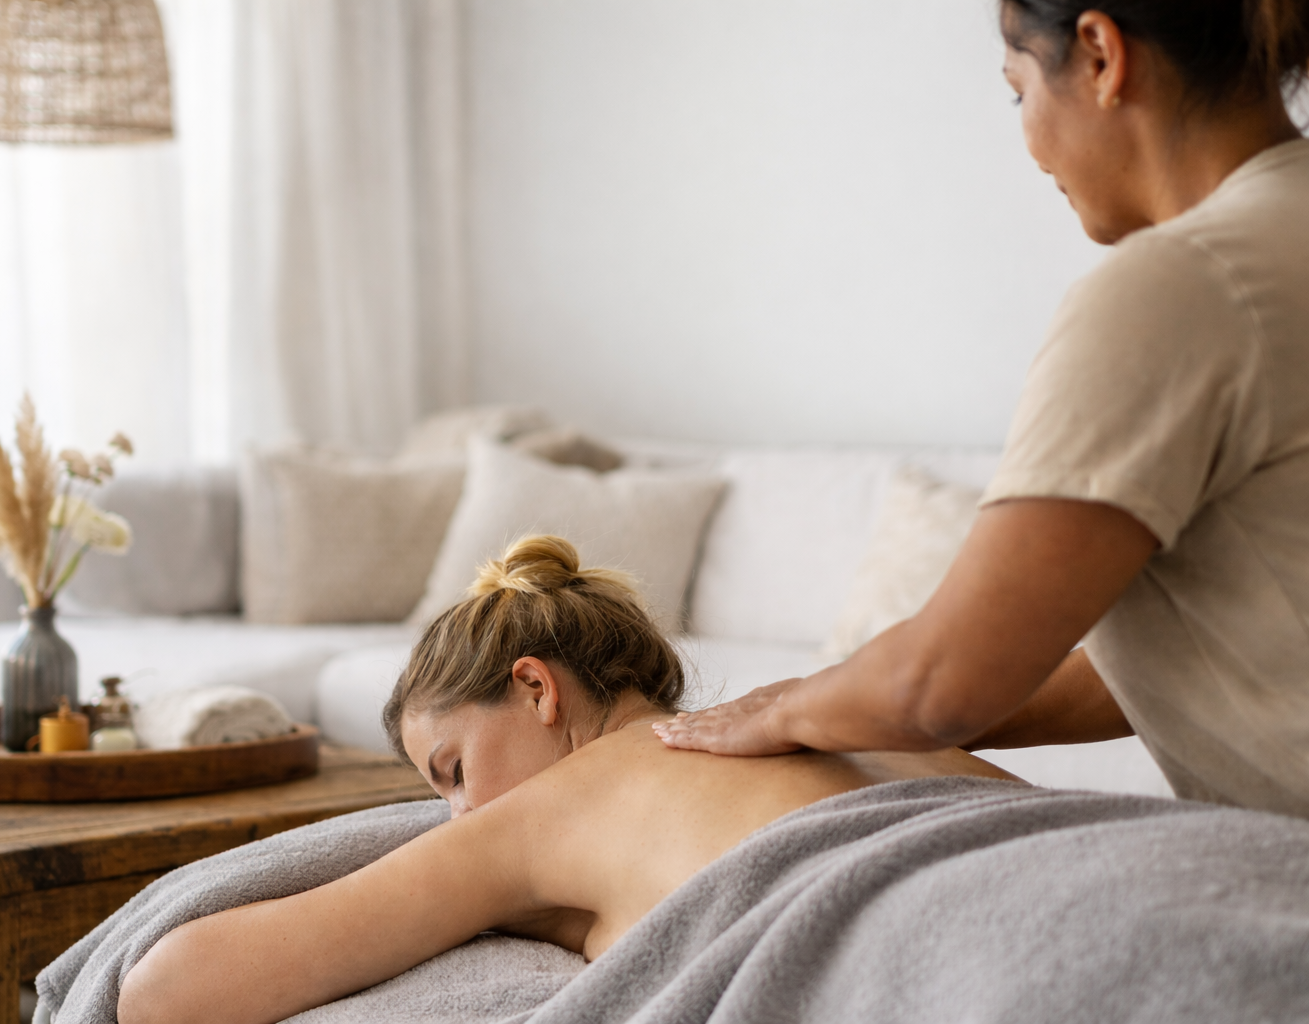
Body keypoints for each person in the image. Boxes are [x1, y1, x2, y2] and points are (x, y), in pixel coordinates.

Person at [656, 0, 1309, 819]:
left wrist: (788, 708)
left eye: (1018, 91)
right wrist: (857, 710)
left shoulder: (1178, 287)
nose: (1029, 146)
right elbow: (1219, 653)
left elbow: (943, 681)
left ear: (1102, 56)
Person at [117, 536, 1018, 1024]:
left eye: (455, 770)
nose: (462, 815)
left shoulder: (566, 804)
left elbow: (168, 994)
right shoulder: (842, 722)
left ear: (536, 688)